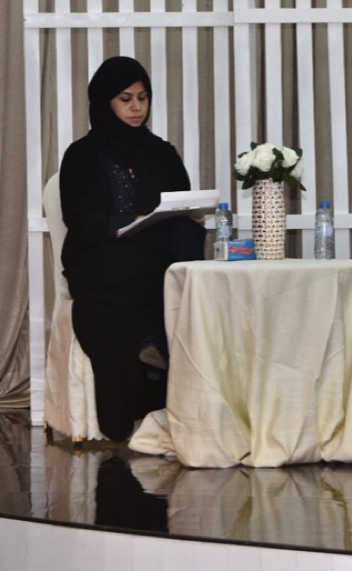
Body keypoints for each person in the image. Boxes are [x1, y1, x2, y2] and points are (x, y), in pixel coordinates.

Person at [60, 56, 206, 442]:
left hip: (151, 258)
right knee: (145, 280)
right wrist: (128, 220)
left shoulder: (162, 153)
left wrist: (188, 217)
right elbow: (80, 220)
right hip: (99, 261)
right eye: (125, 99)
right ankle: (153, 349)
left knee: (182, 240)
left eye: (143, 98)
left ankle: (157, 346)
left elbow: (179, 202)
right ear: (104, 102)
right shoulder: (81, 155)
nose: (136, 107)